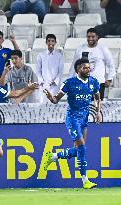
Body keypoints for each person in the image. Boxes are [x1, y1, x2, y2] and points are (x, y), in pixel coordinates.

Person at [43, 58, 101, 189]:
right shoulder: (69, 83)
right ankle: (85, 180)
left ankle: (53, 156)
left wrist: (98, 112)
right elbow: (56, 100)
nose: (88, 70)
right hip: (72, 119)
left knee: (78, 150)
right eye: (84, 68)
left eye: (89, 67)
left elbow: (98, 98)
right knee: (82, 148)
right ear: (77, 70)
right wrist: (50, 97)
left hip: (84, 119)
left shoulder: (93, 82)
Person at [69, 28, 115, 100]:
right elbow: (74, 66)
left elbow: (111, 64)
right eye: (88, 36)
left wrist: (109, 79)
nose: (90, 39)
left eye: (93, 37)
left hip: (98, 83)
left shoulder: (103, 49)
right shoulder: (80, 48)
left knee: (96, 107)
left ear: (97, 37)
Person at [35, 34, 64, 103]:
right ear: (46, 42)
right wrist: (41, 81)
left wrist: (56, 81)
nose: (50, 43)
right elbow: (38, 70)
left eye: (52, 41)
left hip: (55, 85)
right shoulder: (41, 55)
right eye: (49, 41)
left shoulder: (59, 56)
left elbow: (60, 71)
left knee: (54, 105)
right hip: (44, 84)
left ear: (55, 43)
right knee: (43, 104)